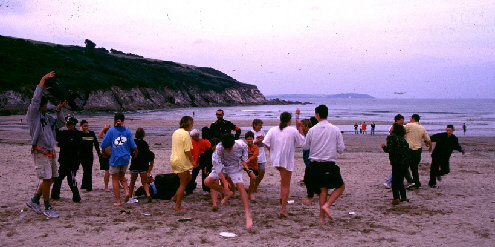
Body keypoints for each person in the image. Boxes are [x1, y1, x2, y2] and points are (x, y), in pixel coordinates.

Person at [26, 71, 67, 218]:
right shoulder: (33, 115)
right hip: (40, 150)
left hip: (50, 150)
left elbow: (61, 123)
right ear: (41, 106)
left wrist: (59, 109)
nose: (46, 107)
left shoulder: (46, 117)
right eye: (45, 105)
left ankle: (35, 200)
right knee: (46, 178)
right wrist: (42, 80)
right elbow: (35, 100)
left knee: (51, 178)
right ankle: (47, 206)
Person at [303, 105, 345, 225]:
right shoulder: (335, 129)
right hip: (329, 163)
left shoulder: (312, 130)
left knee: (323, 190)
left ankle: (322, 219)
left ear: (317, 115)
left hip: (315, 165)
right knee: (341, 187)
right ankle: (327, 205)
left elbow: (305, 146)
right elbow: (341, 149)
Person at [204, 133, 253, 229]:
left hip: (235, 166)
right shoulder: (219, 148)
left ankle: (248, 215)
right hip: (222, 166)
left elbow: (245, 149)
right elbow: (217, 166)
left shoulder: (240, 144)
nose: (228, 150)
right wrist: (224, 181)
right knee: (207, 182)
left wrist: (244, 160)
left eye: (229, 148)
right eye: (226, 148)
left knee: (240, 187)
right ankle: (227, 192)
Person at [263, 110, 305, 217]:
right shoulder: (292, 130)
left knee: (283, 179)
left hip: (276, 160)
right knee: (286, 184)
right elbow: (302, 142)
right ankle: (283, 209)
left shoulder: (273, 129)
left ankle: (282, 197)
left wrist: (272, 150)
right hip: (285, 161)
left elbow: (265, 142)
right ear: (289, 120)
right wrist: (300, 128)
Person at [100, 113, 138, 206]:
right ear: (123, 120)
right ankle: (126, 192)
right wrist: (135, 154)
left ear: (114, 120)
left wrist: (104, 151)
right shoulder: (127, 131)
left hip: (115, 158)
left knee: (114, 179)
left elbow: (103, 144)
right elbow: (133, 146)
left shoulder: (111, 131)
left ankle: (118, 201)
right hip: (125, 157)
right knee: (122, 176)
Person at [51, 117, 82, 203]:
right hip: (64, 161)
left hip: (73, 162)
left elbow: (77, 148)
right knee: (58, 179)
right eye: (67, 124)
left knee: (71, 180)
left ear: (74, 125)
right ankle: (55, 196)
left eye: (70, 125)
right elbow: (56, 135)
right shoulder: (64, 133)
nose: (68, 126)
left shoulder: (77, 134)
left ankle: (76, 198)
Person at [169, 116, 196, 211]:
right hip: (181, 160)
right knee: (183, 183)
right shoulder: (185, 134)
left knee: (189, 178)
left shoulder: (176, 132)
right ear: (188, 124)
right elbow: (187, 150)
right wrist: (192, 160)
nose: (192, 125)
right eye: (191, 123)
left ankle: (175, 197)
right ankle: (177, 206)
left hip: (174, 159)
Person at [383, 114, 415, 189]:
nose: (403, 121)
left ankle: (389, 182)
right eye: (401, 120)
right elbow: (392, 139)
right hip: (398, 151)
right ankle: (389, 182)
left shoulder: (401, 127)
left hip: (399, 151)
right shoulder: (395, 128)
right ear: (398, 120)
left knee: (400, 168)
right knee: (400, 168)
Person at [381, 123, 410, 205]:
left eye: (392, 127)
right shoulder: (402, 139)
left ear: (394, 129)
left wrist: (383, 147)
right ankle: (403, 196)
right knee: (400, 179)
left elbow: (390, 150)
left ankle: (396, 198)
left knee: (394, 180)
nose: (390, 128)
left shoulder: (391, 137)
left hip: (396, 161)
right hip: (404, 161)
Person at [404, 114, 432, 189]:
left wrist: (405, 124)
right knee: (414, 168)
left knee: (404, 166)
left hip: (409, 149)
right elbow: (428, 139)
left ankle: (411, 181)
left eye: (410, 118)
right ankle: (417, 183)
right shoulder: (422, 128)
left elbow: (399, 129)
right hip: (418, 150)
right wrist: (430, 146)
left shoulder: (409, 125)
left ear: (413, 118)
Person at [128, 128, 153, 203]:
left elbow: (131, 152)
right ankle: (148, 194)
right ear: (143, 134)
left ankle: (130, 196)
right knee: (144, 182)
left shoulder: (133, 142)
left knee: (132, 181)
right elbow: (147, 154)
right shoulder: (144, 143)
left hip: (135, 164)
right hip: (143, 164)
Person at [301, 118, 320, 203]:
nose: (300, 128)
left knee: (307, 179)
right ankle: (317, 191)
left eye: (302, 126)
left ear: (306, 126)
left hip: (311, 159)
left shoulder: (310, 134)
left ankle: (310, 196)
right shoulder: (310, 133)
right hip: (310, 159)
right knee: (314, 177)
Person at [198, 138, 221, 210]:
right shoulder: (208, 153)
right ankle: (214, 203)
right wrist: (204, 167)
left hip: (221, 169)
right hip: (211, 169)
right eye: (214, 146)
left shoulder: (222, 152)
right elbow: (202, 160)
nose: (215, 148)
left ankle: (222, 194)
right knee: (214, 183)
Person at [79, 120, 101, 192]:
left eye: (87, 125)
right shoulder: (80, 134)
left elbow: (96, 143)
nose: (86, 127)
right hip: (81, 155)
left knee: (89, 170)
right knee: (85, 170)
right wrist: (81, 132)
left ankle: (89, 187)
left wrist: (98, 153)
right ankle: (83, 186)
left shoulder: (91, 133)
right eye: (84, 126)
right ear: (81, 126)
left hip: (89, 154)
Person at [187, 129, 211, 194]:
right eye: (192, 137)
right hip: (196, 162)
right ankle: (190, 189)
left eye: (193, 137)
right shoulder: (192, 143)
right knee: (193, 175)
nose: (193, 138)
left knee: (204, 175)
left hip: (204, 162)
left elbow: (209, 151)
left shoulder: (205, 142)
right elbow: (191, 152)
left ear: (197, 136)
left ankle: (206, 189)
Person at [251, 119, 267, 193]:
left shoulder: (262, 132)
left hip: (262, 155)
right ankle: (252, 187)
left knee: (262, 172)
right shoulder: (251, 133)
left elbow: (264, 141)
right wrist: (257, 141)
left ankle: (255, 186)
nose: (261, 127)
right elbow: (249, 144)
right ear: (255, 125)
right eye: (260, 125)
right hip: (254, 156)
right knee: (254, 174)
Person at [244, 131, 259, 201]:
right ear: (246, 140)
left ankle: (250, 193)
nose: (249, 141)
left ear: (253, 139)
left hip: (254, 165)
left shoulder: (255, 147)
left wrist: (249, 160)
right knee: (253, 177)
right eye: (248, 139)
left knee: (253, 179)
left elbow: (255, 155)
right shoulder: (244, 147)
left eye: (250, 139)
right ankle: (251, 194)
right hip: (246, 165)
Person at [98, 124, 111, 191]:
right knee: (107, 171)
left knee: (117, 171)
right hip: (105, 156)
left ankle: (119, 185)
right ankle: (106, 186)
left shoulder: (112, 137)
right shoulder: (105, 137)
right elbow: (100, 135)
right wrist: (104, 128)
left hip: (112, 155)